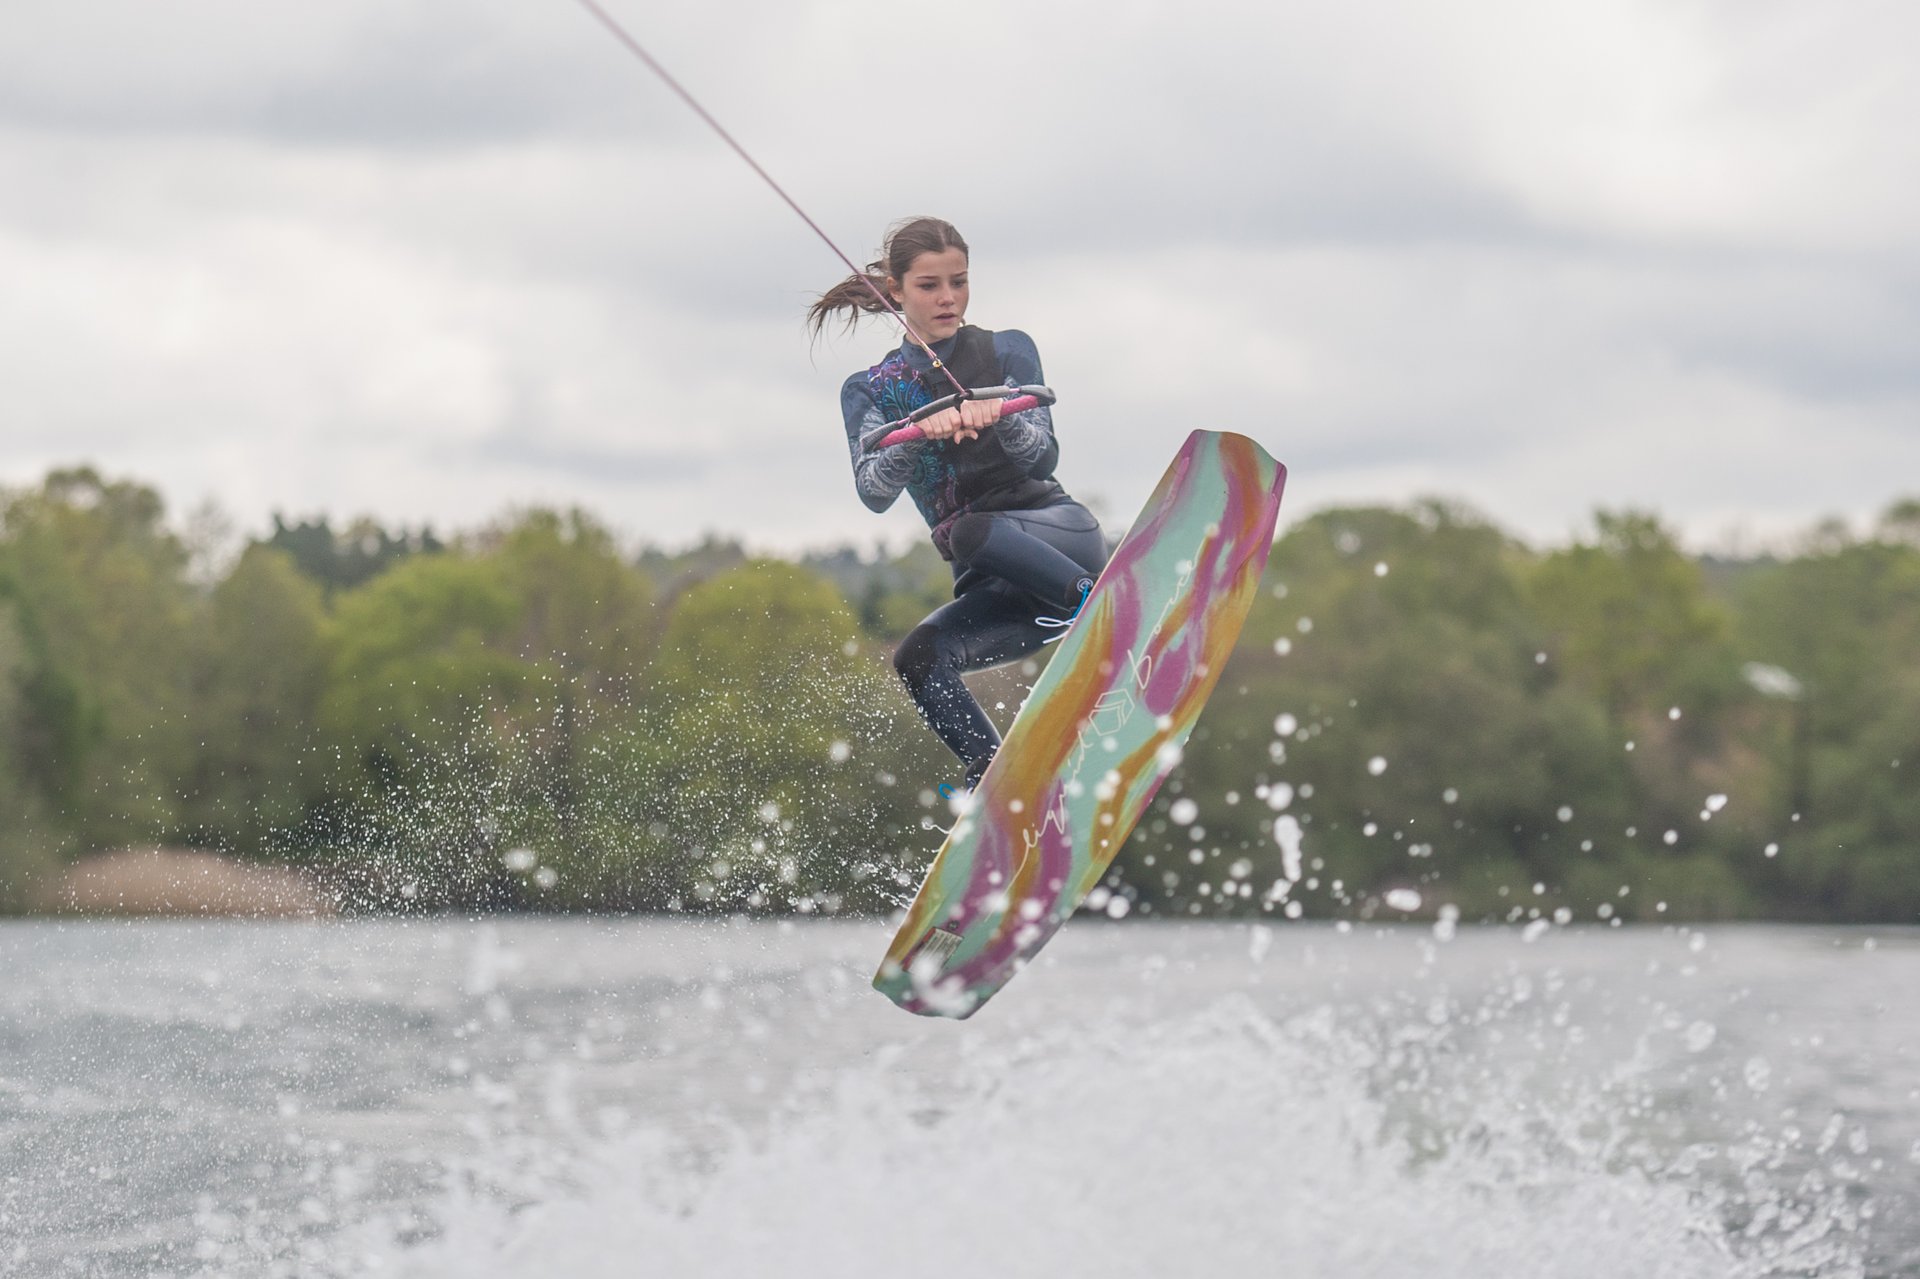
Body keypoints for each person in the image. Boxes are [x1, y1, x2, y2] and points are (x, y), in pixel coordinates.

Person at [810, 216, 1111, 793]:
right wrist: (921, 430)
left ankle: (1100, 607)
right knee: (918, 657)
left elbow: (1042, 456)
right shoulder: (870, 389)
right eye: (929, 286)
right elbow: (873, 491)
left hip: (1059, 542)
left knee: (969, 531)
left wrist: (994, 415)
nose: (948, 298)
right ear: (895, 291)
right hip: (998, 587)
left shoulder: (1006, 349)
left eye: (959, 281)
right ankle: (994, 779)